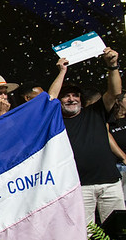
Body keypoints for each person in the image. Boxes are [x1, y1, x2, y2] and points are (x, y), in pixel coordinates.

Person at [48, 50, 126, 225]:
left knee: (118, 231)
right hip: (78, 187)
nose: (71, 99)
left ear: (81, 99)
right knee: (85, 235)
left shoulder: (95, 112)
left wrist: (112, 66)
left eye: (75, 95)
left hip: (110, 183)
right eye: (66, 96)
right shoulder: (55, 121)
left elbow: (115, 92)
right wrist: (62, 72)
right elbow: (50, 99)